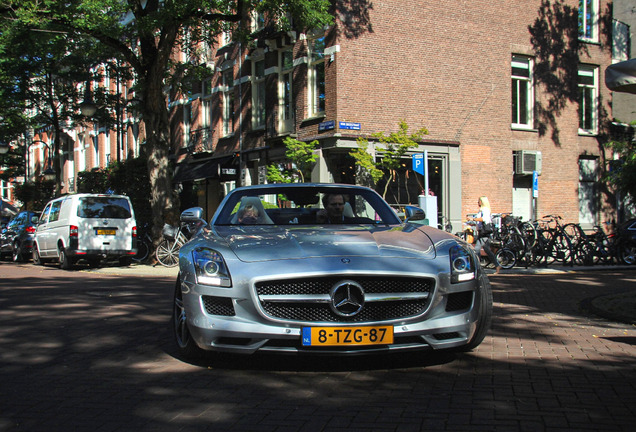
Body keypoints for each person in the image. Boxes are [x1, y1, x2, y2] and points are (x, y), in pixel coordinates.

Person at [467, 196, 502, 274]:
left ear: (482, 202)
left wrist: (473, 219)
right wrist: (471, 223)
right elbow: (479, 222)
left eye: (478, 201)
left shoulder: (485, 210)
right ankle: (497, 265)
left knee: (476, 249)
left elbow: (484, 219)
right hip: (481, 232)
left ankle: (478, 268)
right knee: (487, 250)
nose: (477, 202)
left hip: (484, 233)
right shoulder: (481, 210)